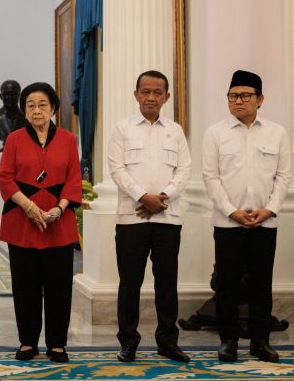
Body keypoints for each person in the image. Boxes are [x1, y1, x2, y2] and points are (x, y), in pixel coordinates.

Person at [202, 70, 291, 363]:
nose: (238, 101)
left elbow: (283, 176)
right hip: (228, 222)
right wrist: (232, 211)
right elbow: (211, 177)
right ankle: (228, 341)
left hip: (266, 222)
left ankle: (260, 341)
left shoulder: (277, 133)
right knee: (227, 283)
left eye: (245, 95)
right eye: (233, 95)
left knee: (261, 284)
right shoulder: (215, 133)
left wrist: (269, 209)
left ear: (260, 99)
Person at [107, 70, 192, 363]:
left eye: (157, 92)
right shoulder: (122, 129)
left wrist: (162, 197)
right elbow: (117, 169)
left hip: (168, 218)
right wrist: (144, 197)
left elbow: (184, 170)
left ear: (166, 97)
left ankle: (167, 342)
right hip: (132, 218)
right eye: (145, 92)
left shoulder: (176, 131)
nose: (151, 97)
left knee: (166, 283)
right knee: (129, 284)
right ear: (136, 95)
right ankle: (128, 342)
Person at [0, 82, 81, 362]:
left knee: (59, 287)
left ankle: (57, 343)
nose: (36, 110)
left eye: (42, 105)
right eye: (30, 105)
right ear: (24, 110)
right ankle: (28, 341)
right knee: (25, 286)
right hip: (22, 222)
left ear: (53, 108)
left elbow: (73, 179)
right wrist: (30, 207)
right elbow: (5, 177)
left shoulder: (68, 140)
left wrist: (59, 209)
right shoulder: (14, 139)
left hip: (59, 222)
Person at [0, 80, 27, 150]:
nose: (10, 97)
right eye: (6, 94)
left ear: (19, 96)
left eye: (13, 94)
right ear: (1, 96)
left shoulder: (27, 118)